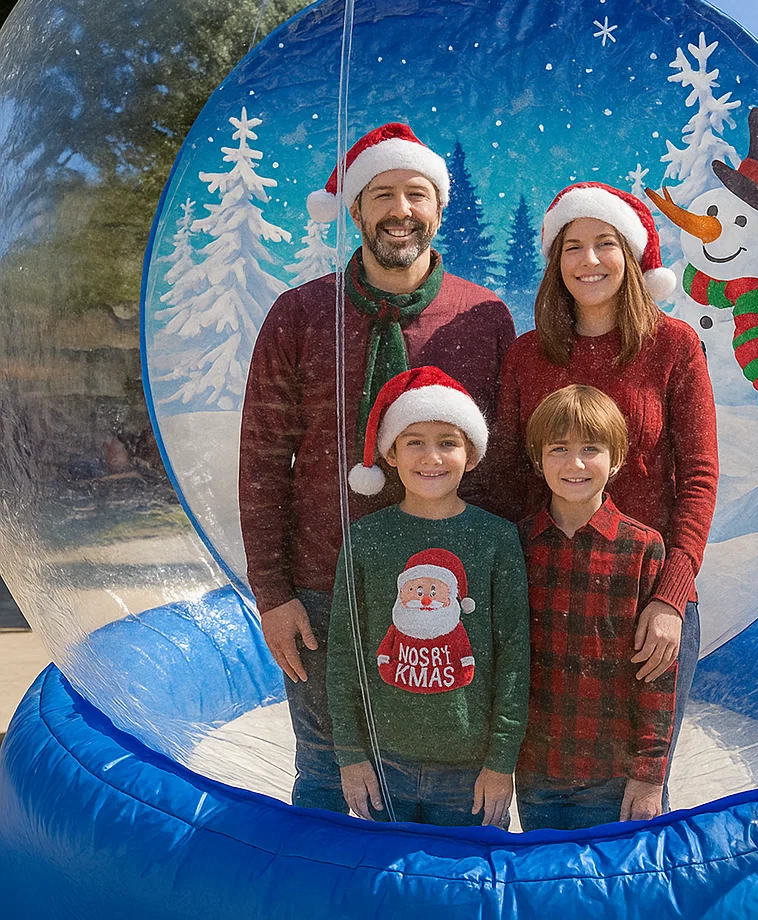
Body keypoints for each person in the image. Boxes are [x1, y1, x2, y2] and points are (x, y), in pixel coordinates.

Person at [239, 123, 516, 812]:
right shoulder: (300, 314)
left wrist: (500, 585)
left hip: (454, 596)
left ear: (439, 207)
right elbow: (263, 462)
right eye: (382, 194)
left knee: (455, 786)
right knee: (329, 778)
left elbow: (504, 467)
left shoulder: (483, 318)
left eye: (416, 194)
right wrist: (273, 594)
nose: (401, 210)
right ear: (356, 208)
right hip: (324, 587)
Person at [490, 181, 718, 804]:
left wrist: (671, 596)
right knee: (546, 779)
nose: (588, 260)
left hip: (649, 599)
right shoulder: (527, 356)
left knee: (639, 790)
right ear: (555, 261)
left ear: (632, 255)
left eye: (605, 244)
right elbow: (508, 478)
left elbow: (699, 477)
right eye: (573, 246)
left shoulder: (674, 347)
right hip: (551, 591)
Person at [327, 367, 529, 827]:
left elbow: (514, 657)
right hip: (383, 764)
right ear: (391, 454)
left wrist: (501, 763)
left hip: (470, 770)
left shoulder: (496, 538)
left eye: (447, 442)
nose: (431, 457)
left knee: (466, 872)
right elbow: (344, 652)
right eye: (414, 441)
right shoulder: (366, 538)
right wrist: (351, 754)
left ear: (470, 455)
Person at [515, 384, 677, 830]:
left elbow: (657, 675)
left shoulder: (642, 548)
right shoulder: (518, 544)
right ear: (538, 460)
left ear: (617, 458)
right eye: (559, 449)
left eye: (591, 448)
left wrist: (649, 775)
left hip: (611, 775)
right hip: (535, 770)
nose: (576, 463)